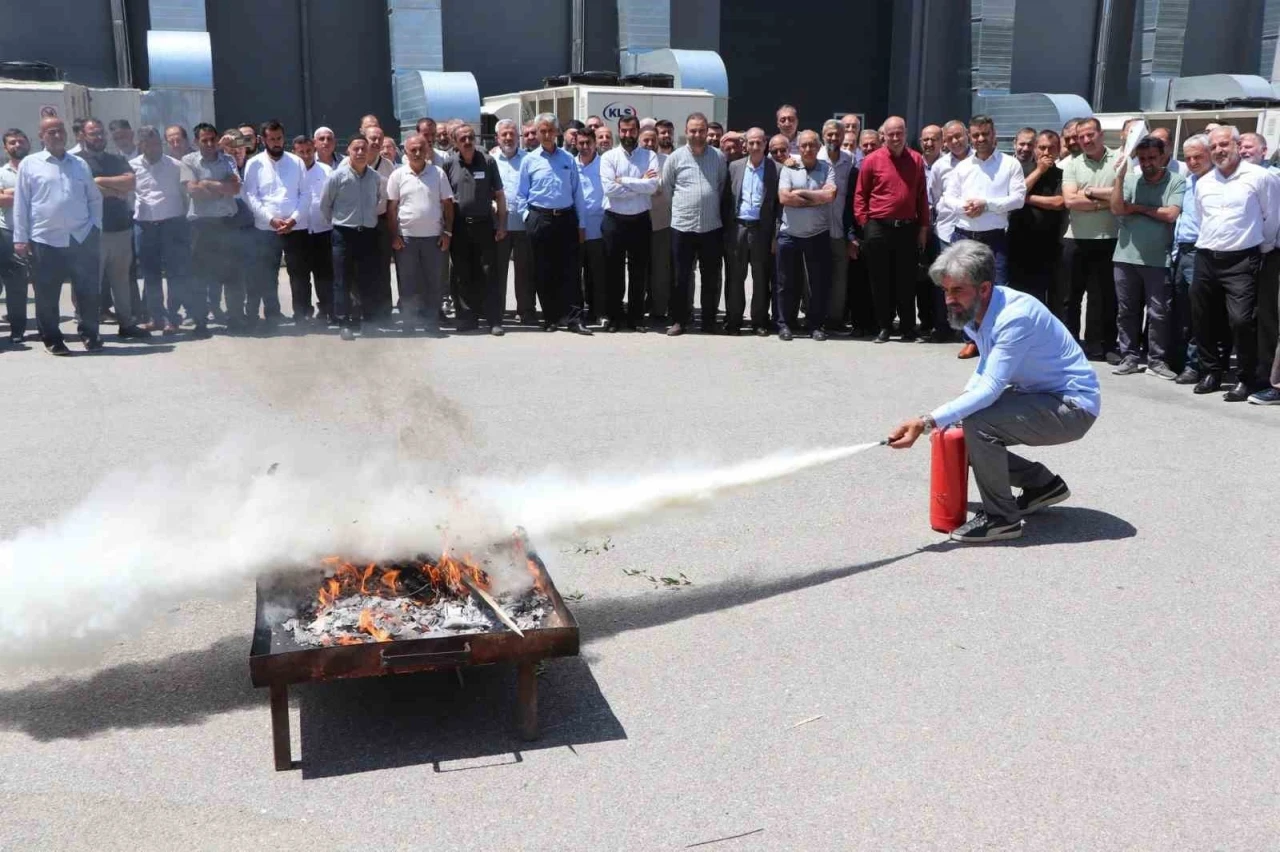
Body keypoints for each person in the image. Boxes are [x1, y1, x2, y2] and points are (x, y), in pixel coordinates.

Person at [887, 240, 1100, 543]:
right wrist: (948, 416)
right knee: (960, 426)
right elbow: (985, 371)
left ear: (984, 288)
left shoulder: (1015, 317)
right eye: (946, 290)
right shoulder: (975, 313)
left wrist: (927, 421)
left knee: (977, 423)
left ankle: (1002, 519)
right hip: (1039, 395)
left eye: (957, 290)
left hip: (1074, 407)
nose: (949, 299)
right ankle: (1041, 485)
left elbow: (990, 388)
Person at [1190, 126, 1278, 400]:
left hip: (1242, 260)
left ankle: (1244, 378)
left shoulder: (1261, 177)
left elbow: (1272, 218)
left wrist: (1261, 248)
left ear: (1238, 145)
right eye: (1214, 146)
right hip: (1206, 257)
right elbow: (1202, 218)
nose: (1219, 150)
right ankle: (1210, 372)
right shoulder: (1204, 182)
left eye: (1224, 144)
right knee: (1203, 318)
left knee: (1241, 321)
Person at [12, 116, 104, 354]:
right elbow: (21, 203)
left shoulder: (79, 164)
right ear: (41, 136)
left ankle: (90, 335)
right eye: (51, 132)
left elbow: (94, 199)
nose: (57, 135)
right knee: (47, 294)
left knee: (87, 291)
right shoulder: (30, 164)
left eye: (60, 131)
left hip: (81, 237)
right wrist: (20, 238)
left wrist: (95, 227)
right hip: (45, 240)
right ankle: (53, 339)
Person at [1108, 135, 1185, 378]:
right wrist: (1119, 177)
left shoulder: (1176, 180)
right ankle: (1129, 357)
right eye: (1142, 158)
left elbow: (1171, 214)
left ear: (1163, 156)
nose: (1147, 163)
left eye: (1152, 157)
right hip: (1125, 258)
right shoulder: (1130, 180)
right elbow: (1117, 208)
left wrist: (1137, 208)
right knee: (1126, 311)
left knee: (1158, 313)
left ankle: (1157, 361)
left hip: (1158, 259)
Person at [854, 116, 930, 343]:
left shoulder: (916, 160)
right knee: (880, 281)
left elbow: (921, 196)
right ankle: (884, 327)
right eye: (891, 134)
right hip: (878, 227)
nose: (896, 138)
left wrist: (923, 227)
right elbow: (860, 195)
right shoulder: (872, 160)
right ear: (883, 136)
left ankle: (908, 328)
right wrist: (865, 224)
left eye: (900, 133)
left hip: (907, 228)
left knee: (906, 280)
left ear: (906, 134)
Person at [516, 113, 590, 334]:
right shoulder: (529, 160)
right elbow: (521, 195)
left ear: (557, 132)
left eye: (550, 130)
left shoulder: (568, 159)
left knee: (571, 271)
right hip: (540, 219)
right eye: (543, 131)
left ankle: (575, 319)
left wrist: (581, 224)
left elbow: (577, 193)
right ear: (537, 133)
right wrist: (527, 217)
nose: (547, 134)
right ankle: (551, 317)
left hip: (566, 219)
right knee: (543, 270)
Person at [78, 119, 146, 339]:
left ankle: (127, 324)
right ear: (83, 136)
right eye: (93, 134)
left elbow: (131, 183)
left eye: (101, 133)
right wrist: (115, 190)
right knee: (91, 284)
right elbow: (84, 189)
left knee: (122, 282)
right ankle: (89, 330)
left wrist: (99, 180)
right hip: (92, 232)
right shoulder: (77, 162)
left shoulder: (116, 159)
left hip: (121, 229)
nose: (98, 137)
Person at [1061, 117, 1122, 363]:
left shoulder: (1119, 160)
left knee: (1104, 297)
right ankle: (1069, 345)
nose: (1086, 140)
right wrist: (1106, 202)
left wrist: (1088, 193)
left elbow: (1124, 195)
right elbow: (1070, 200)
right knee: (1070, 297)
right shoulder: (1072, 165)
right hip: (1076, 239)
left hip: (1108, 239)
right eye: (1081, 137)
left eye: (1090, 135)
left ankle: (1103, 346)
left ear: (1100, 134)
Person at [940, 115, 1025, 288]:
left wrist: (986, 205)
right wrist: (966, 207)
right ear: (970, 137)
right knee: (961, 289)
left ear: (994, 134)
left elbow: (1018, 199)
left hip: (994, 240)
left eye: (985, 134)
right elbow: (948, 197)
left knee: (997, 289)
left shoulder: (1011, 164)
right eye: (976, 135)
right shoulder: (962, 166)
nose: (980, 139)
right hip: (963, 237)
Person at [663, 112, 728, 336]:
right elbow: (667, 190)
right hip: (682, 226)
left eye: (701, 130)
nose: (697, 134)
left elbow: (721, 185)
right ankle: (680, 320)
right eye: (693, 130)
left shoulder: (718, 157)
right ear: (686, 132)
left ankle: (708, 321)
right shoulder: (675, 158)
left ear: (707, 131)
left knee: (711, 276)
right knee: (680, 276)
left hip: (711, 226)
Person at [132, 125, 198, 336]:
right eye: (148, 144)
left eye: (156, 143)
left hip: (172, 225)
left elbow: (187, 195)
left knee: (174, 274)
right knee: (150, 275)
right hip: (145, 226)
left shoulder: (175, 166)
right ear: (140, 145)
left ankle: (173, 318)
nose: (153, 148)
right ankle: (156, 318)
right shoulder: (132, 166)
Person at [320, 135, 386, 341]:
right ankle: (344, 322)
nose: (360, 153)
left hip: (367, 234)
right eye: (356, 149)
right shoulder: (336, 177)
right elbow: (325, 205)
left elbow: (378, 200)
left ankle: (367, 320)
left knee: (368, 279)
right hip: (343, 234)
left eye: (363, 149)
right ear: (348, 150)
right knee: (342, 280)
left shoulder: (375, 177)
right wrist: (338, 222)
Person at [387, 134, 453, 335]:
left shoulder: (438, 173)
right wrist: (394, 236)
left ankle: (431, 323)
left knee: (433, 282)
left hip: (433, 238)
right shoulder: (398, 175)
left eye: (420, 149)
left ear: (427, 150)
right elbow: (391, 208)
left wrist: (447, 232)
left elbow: (448, 204)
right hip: (406, 239)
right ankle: (409, 323)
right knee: (408, 283)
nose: (417, 153)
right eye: (412, 150)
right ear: (405, 152)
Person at [241, 119, 305, 328]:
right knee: (268, 274)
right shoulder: (254, 163)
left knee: (298, 274)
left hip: (295, 227)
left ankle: (301, 315)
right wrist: (271, 219)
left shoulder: (296, 162)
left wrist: (293, 219)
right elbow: (250, 196)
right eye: (272, 139)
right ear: (263, 140)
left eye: (279, 138)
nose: (277, 143)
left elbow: (305, 194)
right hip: (266, 228)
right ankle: (272, 314)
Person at [775, 130, 837, 341]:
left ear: (819, 147)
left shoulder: (827, 168)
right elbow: (784, 198)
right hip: (789, 234)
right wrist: (817, 198)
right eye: (804, 145)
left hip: (817, 234)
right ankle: (785, 324)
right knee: (785, 282)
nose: (808, 149)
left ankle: (815, 325)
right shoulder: (789, 167)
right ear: (798, 148)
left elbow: (830, 195)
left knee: (817, 283)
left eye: (812, 145)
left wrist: (800, 193)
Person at [444, 122, 506, 334]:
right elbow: (444, 199)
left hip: (484, 225)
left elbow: (499, 195)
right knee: (462, 273)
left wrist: (502, 224)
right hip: (460, 226)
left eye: (471, 137)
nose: (468, 141)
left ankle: (493, 320)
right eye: (463, 139)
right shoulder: (449, 164)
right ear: (455, 142)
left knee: (488, 272)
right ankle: (467, 318)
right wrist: (446, 229)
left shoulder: (488, 161)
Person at [600, 114, 659, 332]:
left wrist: (624, 181)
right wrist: (640, 183)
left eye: (631, 130)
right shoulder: (609, 157)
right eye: (623, 130)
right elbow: (609, 189)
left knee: (638, 272)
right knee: (613, 271)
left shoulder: (650, 155)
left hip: (640, 220)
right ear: (619, 131)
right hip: (614, 220)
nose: (627, 134)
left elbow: (652, 186)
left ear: (637, 131)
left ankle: (636, 318)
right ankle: (614, 317)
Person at [184, 122, 244, 332]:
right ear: (196, 142)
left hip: (227, 223)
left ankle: (235, 319)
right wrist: (222, 186)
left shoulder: (228, 160)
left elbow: (235, 188)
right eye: (204, 140)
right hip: (201, 226)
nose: (209, 144)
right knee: (200, 276)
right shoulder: (188, 161)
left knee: (232, 275)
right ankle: (201, 322)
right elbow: (194, 191)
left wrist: (207, 183)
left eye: (212, 139)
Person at [722, 127, 778, 336]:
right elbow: (726, 200)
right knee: (735, 277)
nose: (755, 147)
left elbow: (779, 206)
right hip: (738, 228)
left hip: (762, 230)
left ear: (765, 144)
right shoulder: (734, 167)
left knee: (761, 278)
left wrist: (775, 235)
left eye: (759, 143)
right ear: (745, 145)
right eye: (751, 143)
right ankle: (734, 321)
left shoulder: (776, 169)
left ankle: (759, 321)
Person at [1169, 134, 1212, 384]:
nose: (1193, 162)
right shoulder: (1187, 182)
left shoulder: (1217, 183)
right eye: (1189, 158)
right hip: (1182, 251)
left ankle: (1195, 365)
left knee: (1199, 313)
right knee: (1181, 310)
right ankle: (1180, 360)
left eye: (1198, 156)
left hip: (1201, 252)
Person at [1007, 130, 1066, 307]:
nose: (1046, 152)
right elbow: (1015, 194)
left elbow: (1059, 202)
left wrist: (1026, 199)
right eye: (1042, 148)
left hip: (1050, 245)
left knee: (1051, 298)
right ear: (1035, 149)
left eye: (1051, 148)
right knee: (1020, 296)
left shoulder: (1062, 174)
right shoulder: (1019, 170)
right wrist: (1039, 170)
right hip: (1019, 244)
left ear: (1058, 150)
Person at [928, 120, 971, 346]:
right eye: (950, 138)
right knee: (944, 282)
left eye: (958, 136)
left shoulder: (978, 161)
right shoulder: (940, 166)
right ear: (944, 142)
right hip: (945, 231)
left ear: (967, 135)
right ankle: (943, 327)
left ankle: (969, 331)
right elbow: (935, 198)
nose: (955, 141)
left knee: (969, 282)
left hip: (972, 230)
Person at [492, 120, 535, 325]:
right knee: (498, 271)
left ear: (518, 137)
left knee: (525, 272)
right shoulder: (490, 160)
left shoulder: (529, 159)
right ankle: (496, 311)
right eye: (504, 134)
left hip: (523, 224)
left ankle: (526, 311)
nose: (508, 138)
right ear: (497, 138)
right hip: (499, 226)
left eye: (512, 134)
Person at [291, 134, 335, 324]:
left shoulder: (326, 170)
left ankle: (327, 310)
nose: (305, 155)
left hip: (322, 230)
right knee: (299, 276)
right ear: (294, 152)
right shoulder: (290, 172)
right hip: (298, 231)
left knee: (324, 275)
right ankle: (302, 313)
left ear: (314, 150)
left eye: (309, 151)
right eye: (301, 152)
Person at [817, 119, 855, 332]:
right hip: (818, 229)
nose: (833, 138)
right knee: (816, 276)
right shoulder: (815, 157)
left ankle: (835, 319)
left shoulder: (849, 159)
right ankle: (816, 317)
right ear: (823, 135)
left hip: (840, 228)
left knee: (840, 277)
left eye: (837, 134)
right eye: (830, 134)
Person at [364, 124, 398, 323]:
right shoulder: (349, 162)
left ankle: (384, 313)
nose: (376, 142)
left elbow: (393, 199)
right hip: (358, 224)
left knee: (383, 268)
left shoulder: (388, 166)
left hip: (381, 222)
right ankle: (362, 311)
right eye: (372, 138)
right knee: (359, 269)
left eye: (380, 138)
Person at [573, 129, 607, 326]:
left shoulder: (604, 165)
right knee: (575, 275)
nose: (585, 147)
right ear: (576, 144)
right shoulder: (570, 165)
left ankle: (599, 312)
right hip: (575, 229)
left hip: (598, 228)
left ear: (595, 144)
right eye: (581, 143)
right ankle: (578, 313)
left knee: (598, 274)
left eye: (588, 143)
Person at [0, 129, 30, 343]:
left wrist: (10, 192)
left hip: (38, 234)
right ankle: (17, 330)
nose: (17, 145)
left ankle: (47, 327)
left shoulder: (37, 167)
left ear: (28, 143)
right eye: (12, 142)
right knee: (15, 284)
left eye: (21, 141)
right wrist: (26, 193)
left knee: (44, 283)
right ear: (5, 148)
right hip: (8, 232)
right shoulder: (2, 173)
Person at [640, 127, 673, 323]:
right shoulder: (634, 160)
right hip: (637, 221)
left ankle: (659, 310)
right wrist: (645, 184)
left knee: (661, 269)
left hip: (661, 223)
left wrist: (643, 184)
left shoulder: (667, 161)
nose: (650, 144)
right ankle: (639, 306)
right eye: (646, 140)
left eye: (653, 140)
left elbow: (662, 188)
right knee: (639, 269)